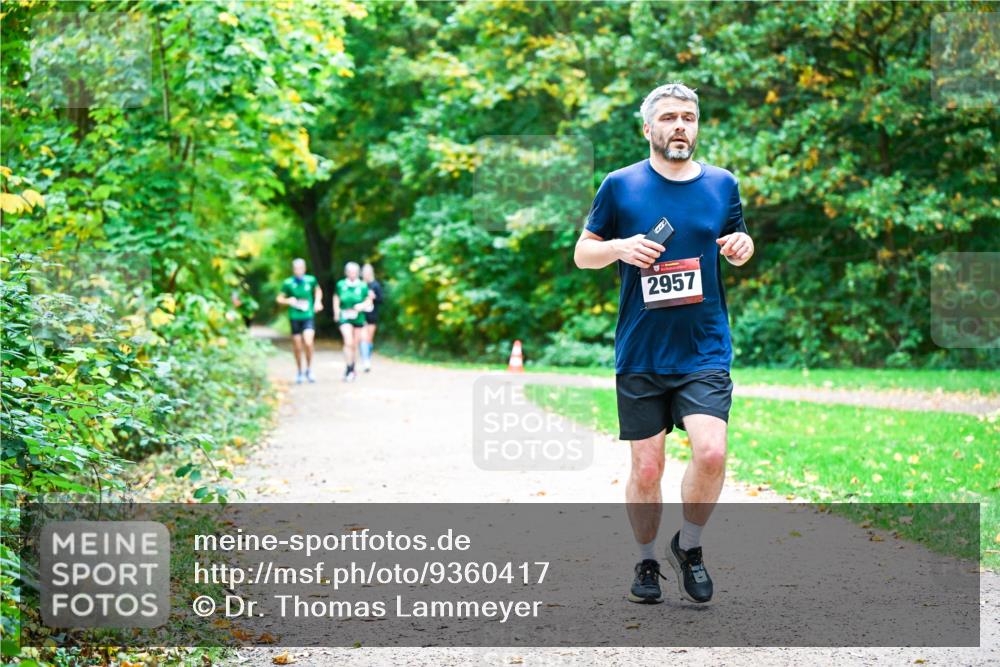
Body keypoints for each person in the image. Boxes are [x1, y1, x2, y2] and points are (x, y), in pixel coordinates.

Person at [573, 82, 754, 605]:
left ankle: (689, 548)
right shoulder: (620, 185)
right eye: (670, 117)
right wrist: (619, 247)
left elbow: (737, 241)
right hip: (642, 350)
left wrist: (742, 246)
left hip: (704, 347)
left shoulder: (722, 184)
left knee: (712, 452)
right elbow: (583, 254)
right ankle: (647, 560)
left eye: (689, 118)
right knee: (647, 468)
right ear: (647, 127)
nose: (680, 126)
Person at [276, 258, 323, 384]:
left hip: (308, 315)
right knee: (297, 346)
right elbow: (279, 298)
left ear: (304, 269)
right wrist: (288, 300)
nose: (298, 271)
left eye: (301, 268)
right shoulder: (288, 283)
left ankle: (309, 369)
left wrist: (318, 302)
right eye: (296, 269)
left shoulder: (310, 280)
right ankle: (299, 371)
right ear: (293, 270)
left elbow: (318, 290)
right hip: (295, 317)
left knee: (308, 342)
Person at [333, 261, 373, 382]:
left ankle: (352, 368)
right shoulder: (341, 284)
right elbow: (336, 297)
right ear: (346, 272)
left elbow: (369, 300)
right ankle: (348, 367)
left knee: (355, 345)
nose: (352, 274)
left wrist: (361, 305)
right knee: (348, 341)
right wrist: (336, 312)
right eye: (350, 272)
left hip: (358, 317)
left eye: (354, 272)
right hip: (345, 316)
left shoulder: (362, 285)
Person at [359, 263, 384, 373]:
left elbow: (381, 300)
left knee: (369, 338)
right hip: (361, 315)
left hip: (372, 315)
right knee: (363, 338)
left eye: (368, 272)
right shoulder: (359, 285)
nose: (366, 274)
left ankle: (367, 358)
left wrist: (374, 297)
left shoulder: (375, 285)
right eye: (364, 272)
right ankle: (365, 361)